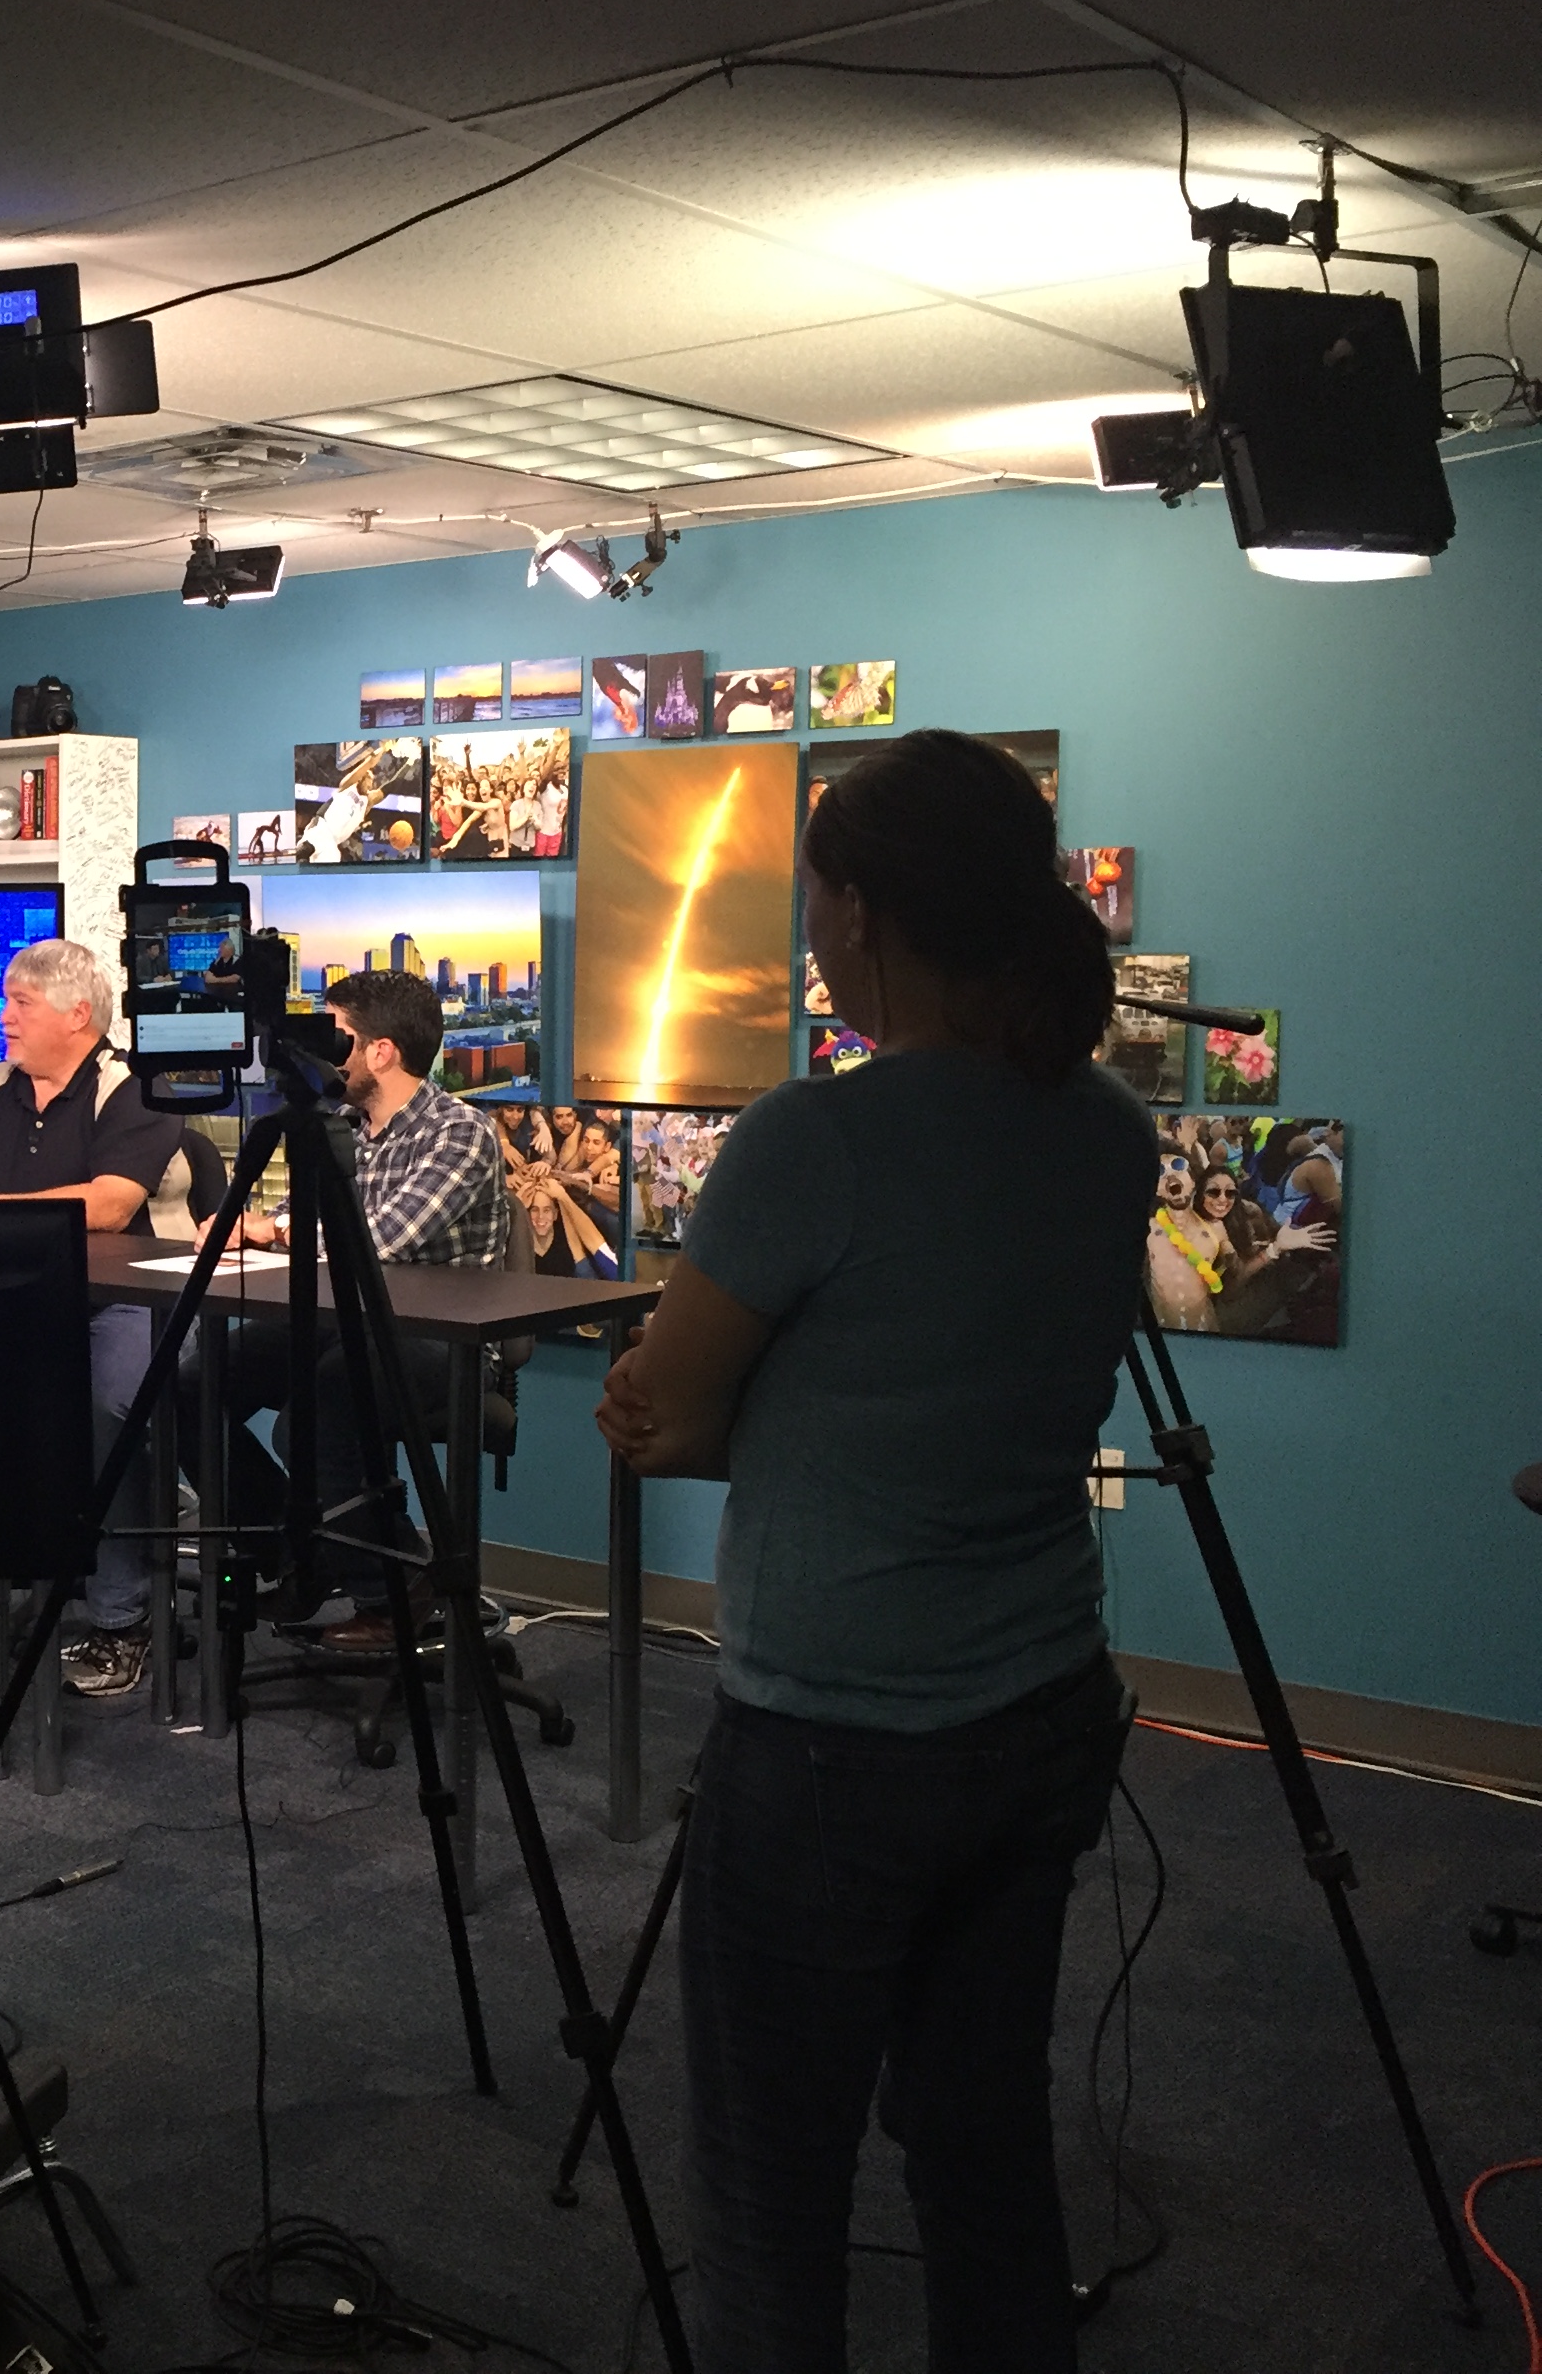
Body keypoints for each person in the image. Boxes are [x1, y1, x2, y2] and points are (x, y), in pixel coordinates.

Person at [593, 728, 1155, 2373]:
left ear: (858, 913)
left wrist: (690, 1392)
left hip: (830, 1736)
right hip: (1046, 1702)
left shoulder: (811, 1139)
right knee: (982, 2141)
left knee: (771, 2198)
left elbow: (666, 1416)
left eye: (814, 897)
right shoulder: (1105, 1130)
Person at [177, 968, 506, 1654]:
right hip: (338, 1323)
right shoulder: (342, 1129)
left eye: (337, 1037)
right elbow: (295, 1222)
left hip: (439, 1340)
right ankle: (298, 1551)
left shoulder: (458, 1133)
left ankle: (393, 1590)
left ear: (381, 1051)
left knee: (322, 1408)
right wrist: (248, 1226)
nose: (322, 1054)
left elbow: (381, 1240)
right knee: (191, 1384)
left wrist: (274, 1230)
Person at [0, 936, 191, 1699]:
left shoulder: (133, 1087)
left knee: (109, 1407)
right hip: (20, 1302)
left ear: (75, 1015)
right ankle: (16, 1567)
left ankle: (120, 1618)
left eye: (19, 1004)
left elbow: (108, 1204)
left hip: (132, 1302)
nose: (3, 1018)